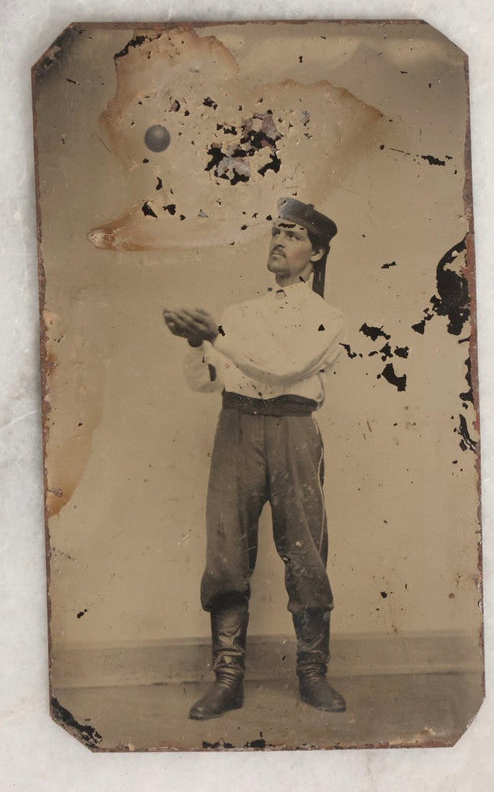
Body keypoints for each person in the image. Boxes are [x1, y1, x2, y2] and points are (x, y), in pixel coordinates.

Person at [163, 197, 347, 719]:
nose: (279, 242)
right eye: (275, 232)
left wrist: (217, 336)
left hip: (292, 429)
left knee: (306, 552)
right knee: (225, 553)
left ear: (317, 253)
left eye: (292, 235)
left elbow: (282, 369)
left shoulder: (328, 318)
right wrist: (198, 345)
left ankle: (313, 676)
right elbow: (206, 381)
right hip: (236, 430)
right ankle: (227, 679)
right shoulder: (240, 313)